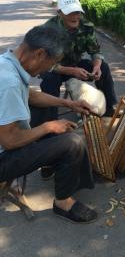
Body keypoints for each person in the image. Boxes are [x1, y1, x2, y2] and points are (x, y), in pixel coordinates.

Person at [0, 25, 98, 224]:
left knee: (44, 108)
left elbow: (31, 96)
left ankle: (52, 162)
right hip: (3, 157)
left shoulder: (7, 63)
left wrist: (68, 103)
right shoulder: (9, 83)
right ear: (39, 54)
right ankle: (63, 203)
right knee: (73, 143)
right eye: (50, 63)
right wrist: (49, 127)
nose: (47, 70)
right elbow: (9, 140)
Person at [40, 0, 117, 122]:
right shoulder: (48, 30)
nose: (75, 16)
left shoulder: (86, 26)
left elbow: (95, 52)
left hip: (75, 63)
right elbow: (44, 63)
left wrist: (97, 66)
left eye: (77, 12)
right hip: (54, 68)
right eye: (70, 12)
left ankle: (109, 108)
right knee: (49, 81)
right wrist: (70, 71)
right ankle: (50, 120)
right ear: (59, 12)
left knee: (103, 67)